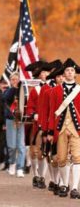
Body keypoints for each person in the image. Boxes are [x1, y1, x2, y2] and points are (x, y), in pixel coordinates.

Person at [47, 58, 80, 198]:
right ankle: (64, 185)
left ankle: (74, 188)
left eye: (72, 70)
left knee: (77, 158)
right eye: (67, 70)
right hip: (60, 129)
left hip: (76, 128)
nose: (70, 73)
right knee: (61, 158)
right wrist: (49, 131)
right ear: (64, 73)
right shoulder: (55, 91)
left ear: (75, 74)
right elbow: (51, 111)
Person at [25, 60, 54, 188]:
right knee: (35, 152)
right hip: (36, 124)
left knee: (45, 153)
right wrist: (33, 114)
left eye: (46, 72)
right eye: (42, 72)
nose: (44, 74)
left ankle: (42, 176)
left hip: (50, 123)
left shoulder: (53, 88)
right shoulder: (34, 89)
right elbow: (29, 107)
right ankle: (36, 174)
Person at [39, 61, 63, 195]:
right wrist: (43, 128)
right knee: (51, 155)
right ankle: (54, 179)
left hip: (65, 127)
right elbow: (44, 110)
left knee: (63, 156)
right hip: (50, 126)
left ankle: (60, 181)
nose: (60, 78)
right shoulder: (47, 89)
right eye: (58, 75)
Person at [4, 72, 26, 177]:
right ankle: (12, 163)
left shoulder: (22, 91)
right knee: (12, 146)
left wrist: (20, 88)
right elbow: (6, 98)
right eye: (13, 79)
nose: (15, 81)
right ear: (10, 80)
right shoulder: (8, 91)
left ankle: (20, 168)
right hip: (10, 120)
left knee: (21, 146)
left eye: (16, 79)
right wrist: (14, 88)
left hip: (21, 120)